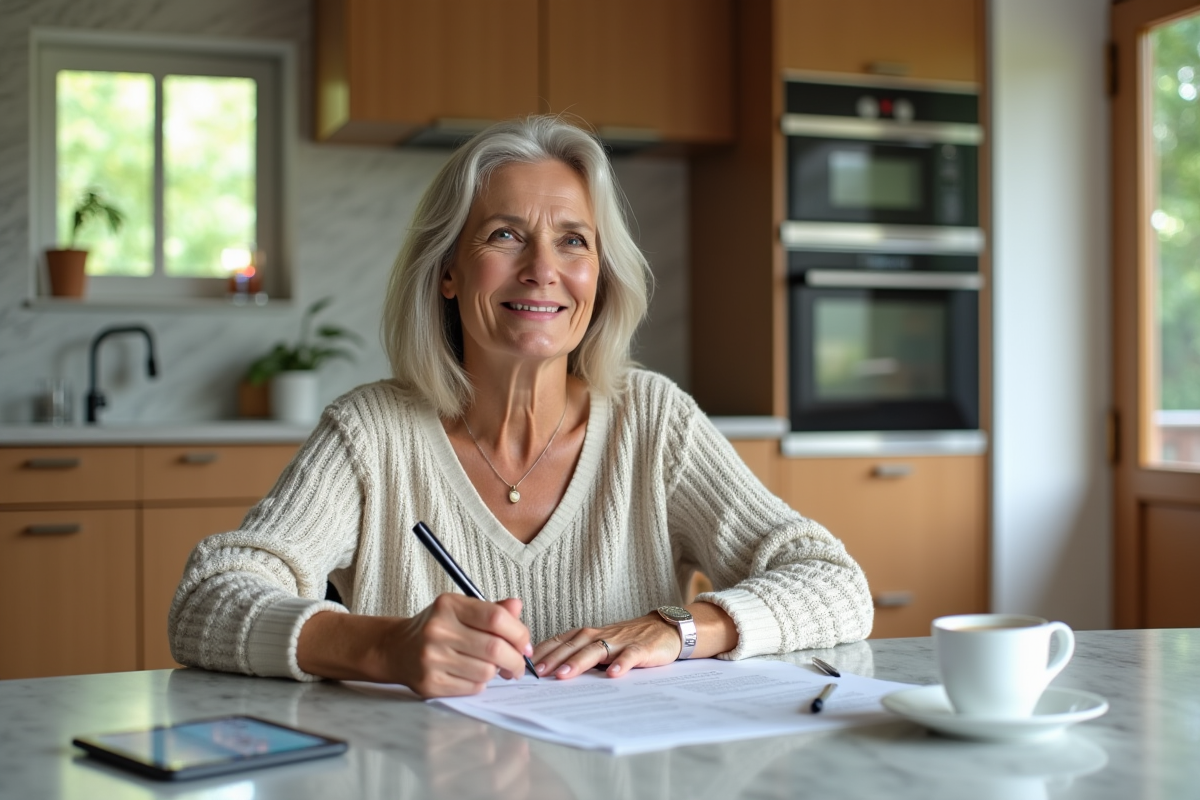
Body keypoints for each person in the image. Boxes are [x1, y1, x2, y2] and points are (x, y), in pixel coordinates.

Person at [169, 116, 873, 698]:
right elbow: (206, 601)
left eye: (573, 240)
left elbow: (836, 584)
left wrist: (680, 629)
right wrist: (386, 646)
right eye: (505, 235)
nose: (543, 268)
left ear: (599, 275)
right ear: (448, 271)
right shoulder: (371, 433)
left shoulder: (654, 421)